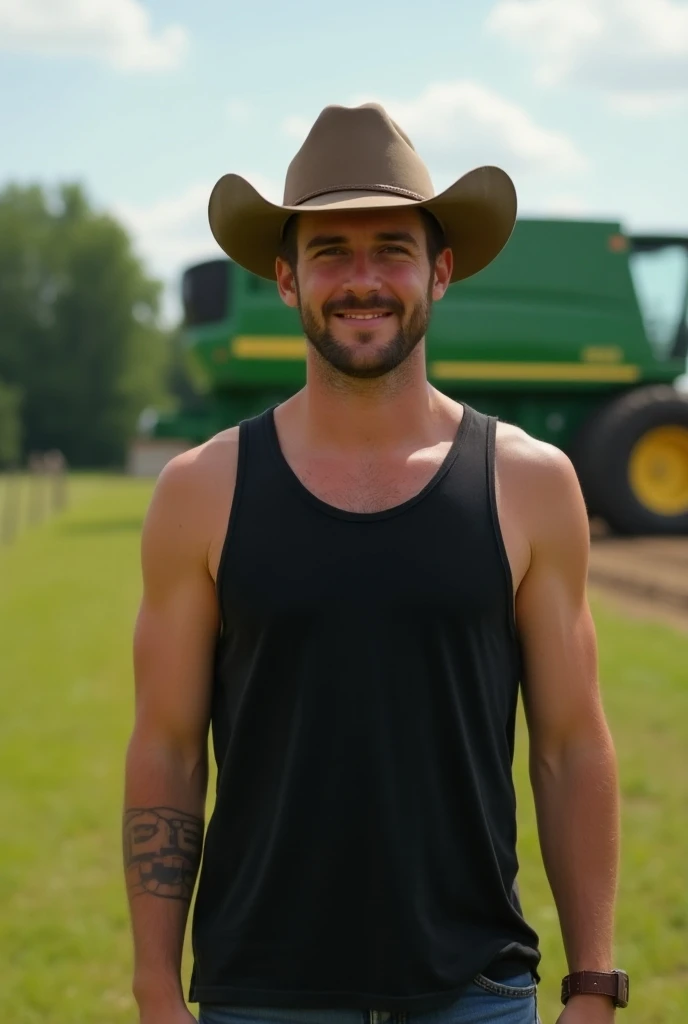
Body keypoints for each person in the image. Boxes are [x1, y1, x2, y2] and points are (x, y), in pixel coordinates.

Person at [123, 103, 626, 1024]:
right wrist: (156, 984)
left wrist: (594, 980)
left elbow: (569, 744)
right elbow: (164, 745)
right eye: (330, 252)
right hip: (259, 997)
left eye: (392, 249)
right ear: (286, 279)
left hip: (476, 994)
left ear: (440, 272)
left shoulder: (529, 483)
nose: (364, 280)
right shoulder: (201, 491)